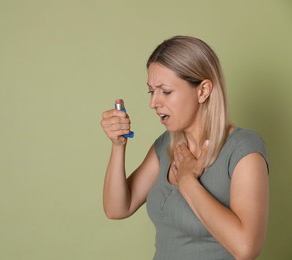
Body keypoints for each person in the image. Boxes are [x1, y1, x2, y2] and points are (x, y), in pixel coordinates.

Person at [100, 36, 269, 260]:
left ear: (203, 91)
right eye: (151, 91)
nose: (154, 102)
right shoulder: (165, 145)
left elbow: (246, 248)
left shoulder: (243, 149)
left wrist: (187, 181)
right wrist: (118, 146)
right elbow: (117, 208)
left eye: (166, 91)